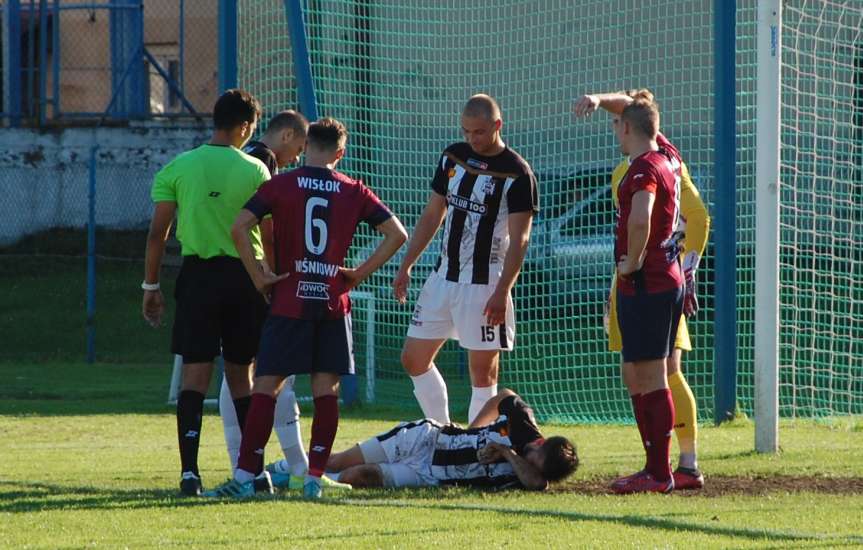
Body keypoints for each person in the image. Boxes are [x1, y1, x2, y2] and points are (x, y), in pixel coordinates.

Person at [204, 117, 408, 499]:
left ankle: (246, 478)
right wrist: (358, 274)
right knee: (325, 389)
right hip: (331, 300)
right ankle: (314, 479)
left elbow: (239, 227)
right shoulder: (353, 189)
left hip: (290, 299)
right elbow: (398, 234)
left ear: (307, 144)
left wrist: (258, 275)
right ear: (340, 153)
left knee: (265, 385)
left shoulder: (280, 184)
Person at [575, 90, 709, 491]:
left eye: (618, 122)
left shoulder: (648, 165)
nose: (614, 128)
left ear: (630, 126)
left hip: (653, 278)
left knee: (663, 372)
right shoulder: (659, 157)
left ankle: (675, 466)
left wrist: (688, 267)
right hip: (639, 283)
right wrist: (598, 100)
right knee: (636, 372)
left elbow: (687, 216)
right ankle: (657, 465)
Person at [142, 89, 270, 496]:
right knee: (241, 377)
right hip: (244, 277)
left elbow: (157, 236)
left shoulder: (179, 167)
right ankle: (253, 472)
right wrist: (270, 279)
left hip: (197, 277)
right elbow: (269, 234)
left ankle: (189, 474)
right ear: (246, 126)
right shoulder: (255, 170)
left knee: (195, 374)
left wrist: (151, 285)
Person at [393, 94, 538, 426]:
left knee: (483, 373)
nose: (472, 139)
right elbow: (433, 214)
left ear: (497, 126)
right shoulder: (453, 157)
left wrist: (502, 290)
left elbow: (521, 239)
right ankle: (442, 435)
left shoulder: (517, 173)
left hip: (485, 284)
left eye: (480, 132)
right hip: (442, 277)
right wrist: (407, 264)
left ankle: (473, 448)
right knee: (413, 359)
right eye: (467, 131)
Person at [215, 109, 329, 490]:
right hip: (263, 283)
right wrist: (267, 272)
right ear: (285, 138)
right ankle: (293, 468)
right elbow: (257, 226)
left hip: (234, 277)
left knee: (240, 373)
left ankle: (247, 469)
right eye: (298, 147)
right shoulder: (264, 167)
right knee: (272, 376)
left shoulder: (246, 159)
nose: (298, 156)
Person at [325, 389, 578, 490]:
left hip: (429, 475)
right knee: (337, 462)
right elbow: (505, 396)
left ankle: (307, 480)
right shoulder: (524, 424)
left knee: (354, 477)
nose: (529, 463)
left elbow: (537, 483)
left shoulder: (531, 476)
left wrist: (505, 453)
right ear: (541, 443)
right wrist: (471, 431)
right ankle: (290, 468)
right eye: (534, 459)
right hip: (425, 439)